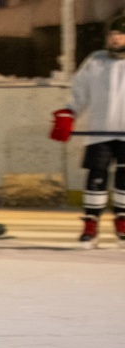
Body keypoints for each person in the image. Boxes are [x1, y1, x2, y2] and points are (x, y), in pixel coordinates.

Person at [58, 13, 125, 247]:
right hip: (100, 131)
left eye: (120, 34)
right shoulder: (95, 60)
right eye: (112, 34)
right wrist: (69, 112)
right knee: (96, 175)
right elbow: (79, 92)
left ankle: (122, 221)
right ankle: (90, 224)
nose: (115, 39)